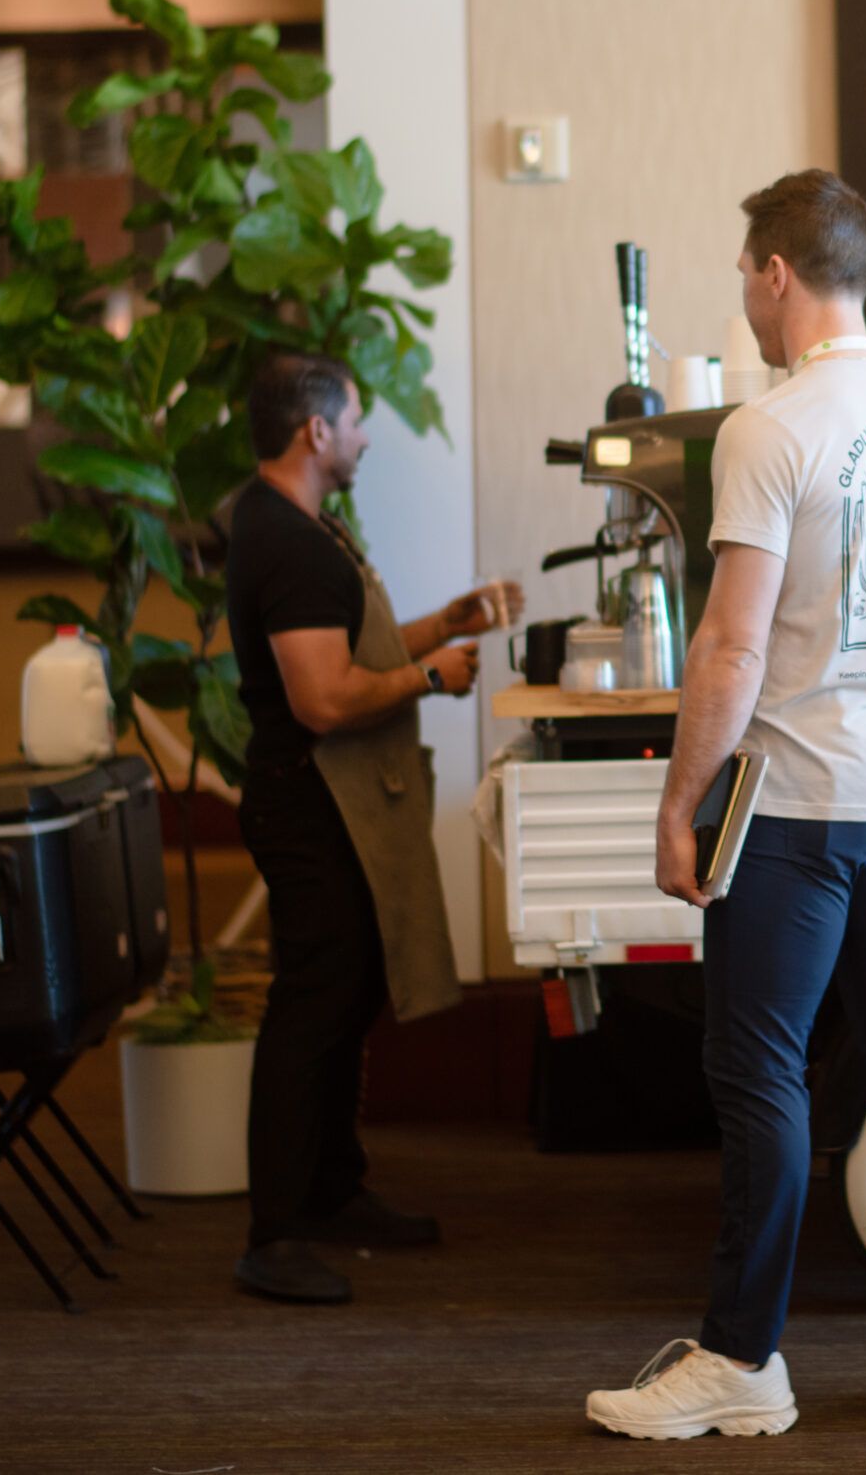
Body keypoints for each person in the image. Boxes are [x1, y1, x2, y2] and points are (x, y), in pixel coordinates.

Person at [585, 170, 866, 1440]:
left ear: (777, 274)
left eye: (746, 277)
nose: (747, 300)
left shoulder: (771, 429)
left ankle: (742, 1364)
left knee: (760, 1071)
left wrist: (679, 804)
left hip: (799, 811)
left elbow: (728, 647)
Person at [224, 352, 523, 1306]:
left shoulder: (308, 528)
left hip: (328, 807)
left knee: (347, 995)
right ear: (315, 431)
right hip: (309, 806)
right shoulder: (286, 541)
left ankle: (332, 1190)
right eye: (352, 420)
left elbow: (354, 652)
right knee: (311, 1010)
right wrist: (432, 677)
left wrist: (442, 624)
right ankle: (272, 1234)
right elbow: (322, 698)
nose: (361, 436)